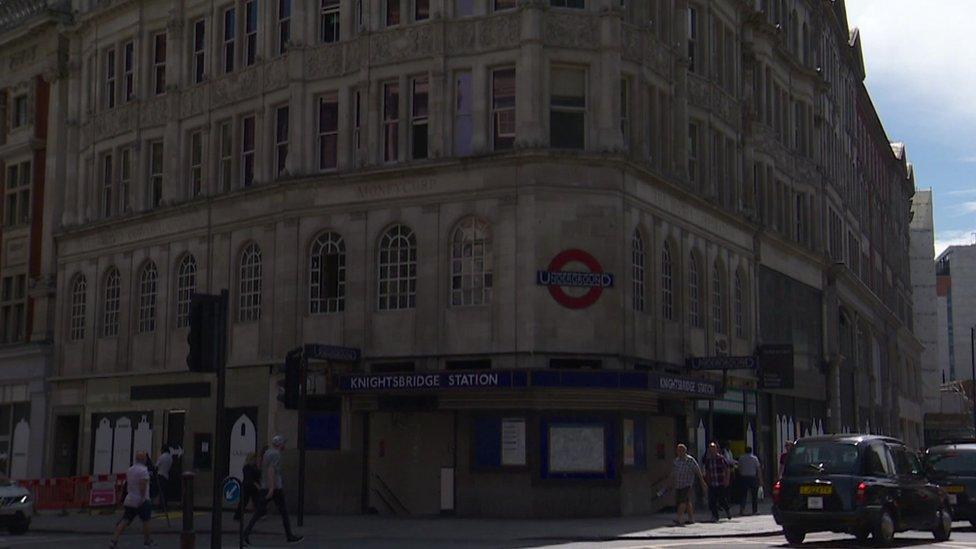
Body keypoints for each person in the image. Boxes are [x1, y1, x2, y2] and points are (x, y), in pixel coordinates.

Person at [243, 435, 303, 545]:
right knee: (283, 512)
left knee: (259, 512)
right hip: (275, 488)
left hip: (264, 486)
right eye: (283, 443)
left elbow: (262, 467)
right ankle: (289, 536)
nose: (284, 445)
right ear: (279, 444)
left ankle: (245, 534)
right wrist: (271, 488)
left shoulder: (267, 453)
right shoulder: (276, 454)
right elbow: (271, 470)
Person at [110, 451, 155, 548]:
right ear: (144, 459)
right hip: (141, 500)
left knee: (125, 520)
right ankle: (148, 541)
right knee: (146, 521)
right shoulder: (144, 470)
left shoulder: (130, 469)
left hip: (130, 499)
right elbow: (142, 485)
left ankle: (114, 540)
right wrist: (143, 498)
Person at [670, 443, 708, 527]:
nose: (679, 452)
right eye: (678, 450)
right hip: (678, 484)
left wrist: (702, 481)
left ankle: (679, 518)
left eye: (680, 450)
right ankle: (691, 518)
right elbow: (673, 472)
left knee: (682, 501)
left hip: (687, 484)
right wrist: (670, 482)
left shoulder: (690, 460)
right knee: (687, 501)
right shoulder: (676, 461)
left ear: (684, 451)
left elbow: (697, 471)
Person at [702, 442, 732, 522]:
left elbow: (727, 469)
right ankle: (715, 516)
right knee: (712, 501)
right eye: (710, 449)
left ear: (717, 449)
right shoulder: (708, 461)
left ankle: (727, 510)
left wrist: (727, 480)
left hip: (720, 482)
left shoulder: (721, 459)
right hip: (712, 483)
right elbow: (707, 471)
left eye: (713, 448)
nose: (712, 450)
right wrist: (706, 481)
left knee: (722, 499)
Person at [234, 450, 263, 522]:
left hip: (253, 488)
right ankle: (237, 516)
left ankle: (259, 515)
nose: (255, 460)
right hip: (247, 486)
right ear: (250, 459)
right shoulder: (246, 467)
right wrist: (257, 485)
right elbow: (249, 478)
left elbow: (259, 475)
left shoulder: (255, 467)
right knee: (244, 502)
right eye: (254, 459)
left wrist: (259, 466)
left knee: (257, 501)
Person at [737, 446, 763, 515]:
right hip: (753, 478)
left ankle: (742, 510)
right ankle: (755, 510)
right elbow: (758, 469)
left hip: (744, 478)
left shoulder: (741, 458)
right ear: (751, 451)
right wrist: (760, 479)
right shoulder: (754, 458)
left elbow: (739, 468)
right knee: (754, 495)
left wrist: (741, 474)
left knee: (743, 495)